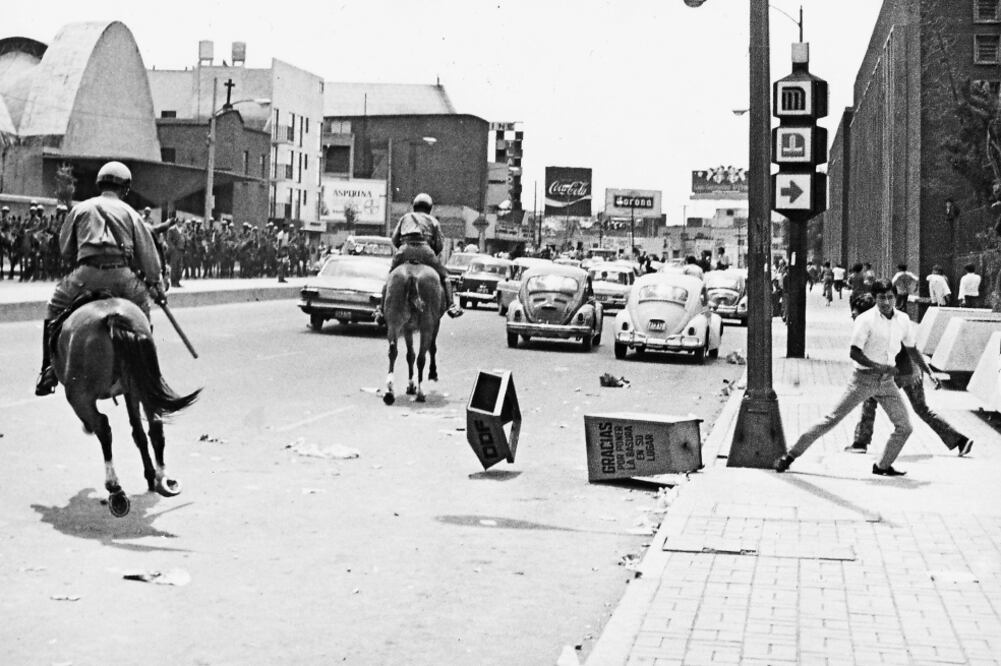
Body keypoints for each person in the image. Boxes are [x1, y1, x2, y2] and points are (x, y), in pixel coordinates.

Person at [34, 161, 164, 396]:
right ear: (125, 188)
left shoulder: (81, 208)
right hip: (122, 276)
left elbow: (65, 248)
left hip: (86, 274)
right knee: (142, 312)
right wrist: (156, 284)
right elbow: (149, 257)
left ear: (99, 184)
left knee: (54, 308)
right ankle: (146, 372)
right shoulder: (131, 213)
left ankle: (48, 370)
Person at [774, 279, 915, 476]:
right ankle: (790, 456)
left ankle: (883, 465)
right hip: (863, 379)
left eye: (890, 297)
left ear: (896, 298)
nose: (886, 302)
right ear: (875, 298)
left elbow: (911, 347)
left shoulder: (903, 320)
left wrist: (925, 370)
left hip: (886, 382)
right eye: (881, 298)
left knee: (905, 427)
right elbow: (854, 353)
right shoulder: (865, 320)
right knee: (832, 419)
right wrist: (878, 366)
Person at [846, 292, 974, 457]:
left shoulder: (875, 326)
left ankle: (860, 442)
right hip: (912, 373)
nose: (852, 314)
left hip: (895, 373)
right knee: (922, 409)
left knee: (869, 401)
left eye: (855, 312)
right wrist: (928, 372)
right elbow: (913, 350)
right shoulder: (891, 322)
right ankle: (960, 441)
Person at [375, 193, 463, 323]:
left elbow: (394, 239)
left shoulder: (405, 217)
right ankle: (451, 305)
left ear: (414, 206)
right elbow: (439, 244)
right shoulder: (433, 221)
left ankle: (381, 309)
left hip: (405, 249)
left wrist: (403, 249)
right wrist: (431, 254)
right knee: (445, 277)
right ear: (429, 208)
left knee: (390, 278)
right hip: (424, 250)